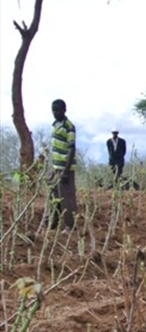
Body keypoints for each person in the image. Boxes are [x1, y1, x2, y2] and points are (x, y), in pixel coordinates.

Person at [48, 99, 77, 232]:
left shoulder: (68, 126)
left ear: (64, 110)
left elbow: (71, 149)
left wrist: (65, 171)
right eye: (53, 110)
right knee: (54, 196)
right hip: (56, 167)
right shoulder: (55, 125)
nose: (55, 113)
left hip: (66, 168)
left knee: (66, 197)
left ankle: (70, 225)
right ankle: (54, 222)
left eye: (58, 110)